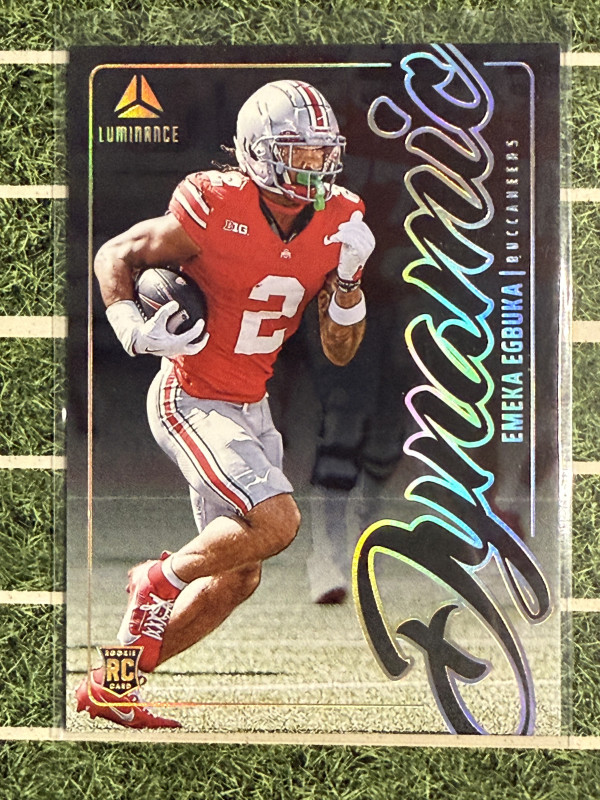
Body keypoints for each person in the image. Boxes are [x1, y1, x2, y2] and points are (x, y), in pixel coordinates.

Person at [75, 79, 375, 728]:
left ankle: (113, 685)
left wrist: (349, 282)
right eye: (298, 152)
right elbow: (115, 253)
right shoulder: (215, 203)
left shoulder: (339, 216)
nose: (315, 166)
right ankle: (158, 579)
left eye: (323, 152)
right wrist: (128, 324)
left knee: (238, 576)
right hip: (191, 395)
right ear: (257, 151)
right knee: (278, 522)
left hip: (251, 405)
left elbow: (340, 348)